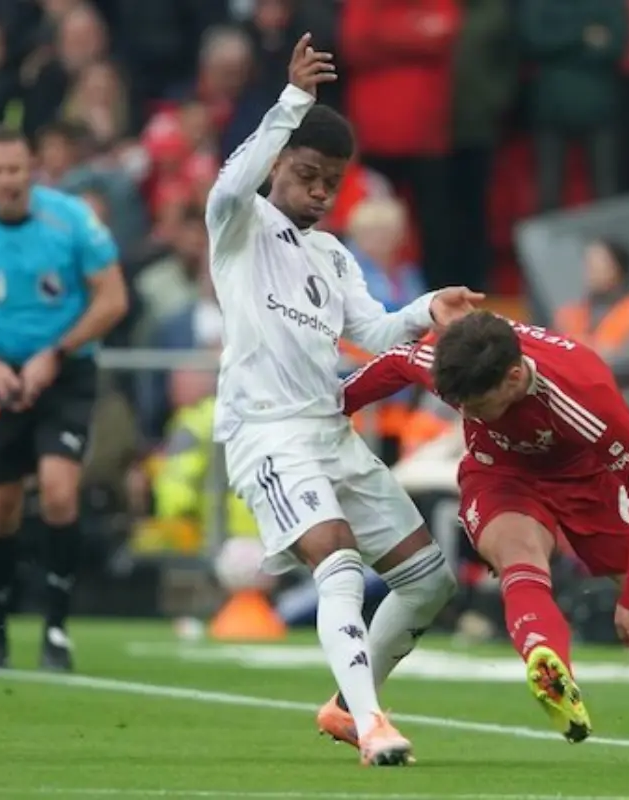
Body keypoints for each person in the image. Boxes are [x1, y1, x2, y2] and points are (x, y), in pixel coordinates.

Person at [206, 35, 480, 767]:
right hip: (268, 434)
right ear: (277, 165)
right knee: (337, 562)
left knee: (428, 582)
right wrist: (293, 100)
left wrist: (426, 307)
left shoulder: (332, 256)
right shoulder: (239, 226)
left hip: (330, 433)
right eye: (307, 175)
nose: (321, 192)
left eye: (332, 182)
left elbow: (374, 331)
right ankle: (373, 724)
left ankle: (345, 704)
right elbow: (230, 185)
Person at [341, 311, 629, 742]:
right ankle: (548, 662)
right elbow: (395, 362)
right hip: (500, 474)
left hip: (587, 482)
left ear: (514, 378)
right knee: (518, 553)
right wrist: (329, 410)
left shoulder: (582, 396)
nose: (469, 414)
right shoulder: (456, 362)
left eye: (479, 406)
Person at [0, 124, 129, 672]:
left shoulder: (71, 220)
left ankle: (56, 631)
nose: (7, 181)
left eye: (16, 169)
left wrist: (57, 352)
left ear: (33, 169)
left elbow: (113, 298)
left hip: (66, 372)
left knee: (59, 490)